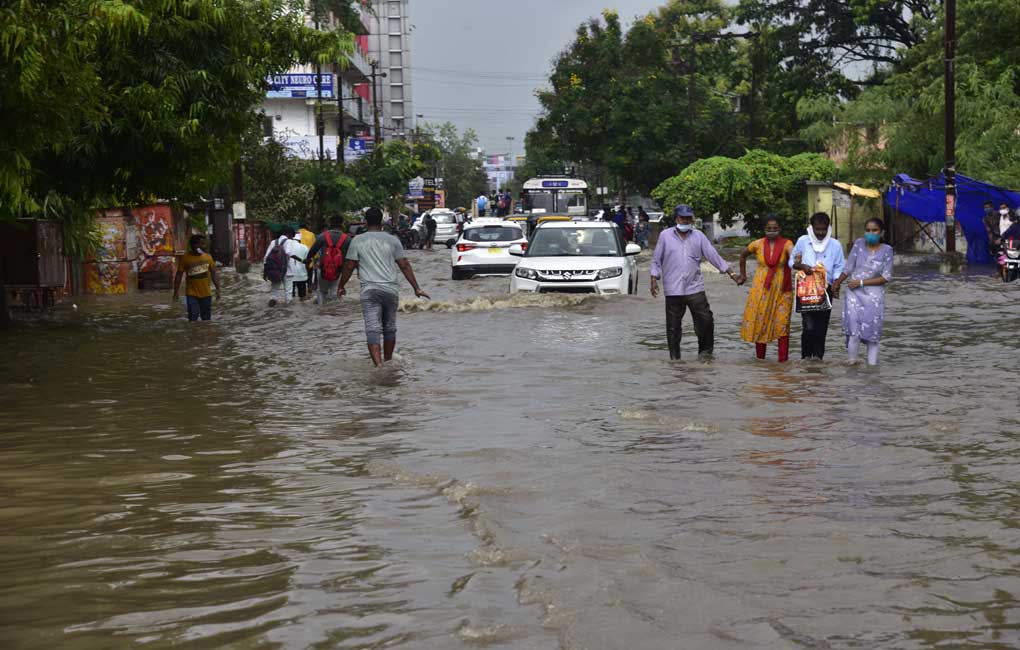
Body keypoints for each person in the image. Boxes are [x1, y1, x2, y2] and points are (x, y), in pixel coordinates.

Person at [338, 207, 430, 367]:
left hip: (369, 291)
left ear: (366, 222)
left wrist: (341, 285)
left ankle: (378, 366)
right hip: (390, 290)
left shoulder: (358, 240)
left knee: (372, 328)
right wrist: (416, 288)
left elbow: (349, 266)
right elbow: (404, 265)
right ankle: (388, 362)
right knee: (390, 327)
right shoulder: (393, 239)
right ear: (381, 222)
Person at [650, 205, 740, 360]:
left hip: (694, 288)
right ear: (677, 219)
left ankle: (705, 355)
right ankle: (675, 359)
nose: (686, 221)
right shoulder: (665, 236)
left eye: (688, 218)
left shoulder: (698, 236)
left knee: (706, 320)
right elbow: (657, 260)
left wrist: (731, 273)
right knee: (673, 327)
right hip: (673, 289)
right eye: (683, 218)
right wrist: (654, 279)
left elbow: (713, 256)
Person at [832, 218, 894, 366]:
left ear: (881, 232)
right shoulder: (859, 244)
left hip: (874, 297)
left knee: (872, 335)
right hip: (854, 295)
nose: (870, 233)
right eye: (868, 230)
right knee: (854, 332)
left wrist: (861, 282)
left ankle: (872, 370)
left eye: (874, 230)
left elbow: (886, 276)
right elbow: (848, 268)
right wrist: (837, 283)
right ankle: (852, 364)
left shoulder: (887, 250)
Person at [737, 216, 794, 362]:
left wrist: (800, 261)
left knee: (782, 325)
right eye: (769, 229)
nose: (772, 231)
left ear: (780, 229)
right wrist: (742, 275)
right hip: (761, 289)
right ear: (765, 230)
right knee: (760, 322)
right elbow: (742, 256)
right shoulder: (757, 244)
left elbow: (793, 256)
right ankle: (760, 362)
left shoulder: (787, 244)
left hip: (782, 289)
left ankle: (783, 363)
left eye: (775, 229)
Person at [790, 212, 845, 360]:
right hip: (805, 289)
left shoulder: (835, 245)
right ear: (811, 227)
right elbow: (791, 262)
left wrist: (835, 283)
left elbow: (840, 266)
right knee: (808, 326)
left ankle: (818, 358)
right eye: (817, 229)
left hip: (826, 290)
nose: (820, 233)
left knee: (821, 327)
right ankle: (806, 357)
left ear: (828, 228)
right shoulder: (803, 241)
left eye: (823, 229)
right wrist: (801, 265)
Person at [304, 215, 352, 305]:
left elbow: (312, 251)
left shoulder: (322, 236)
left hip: (323, 268)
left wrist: (307, 260)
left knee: (322, 291)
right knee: (335, 291)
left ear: (330, 223)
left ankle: (321, 311)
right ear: (342, 224)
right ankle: (333, 313)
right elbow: (351, 257)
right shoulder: (347, 239)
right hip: (339, 270)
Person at [173, 234, 220, 322]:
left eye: (204, 244)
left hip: (206, 294)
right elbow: (178, 275)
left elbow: (213, 273)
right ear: (195, 245)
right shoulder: (185, 258)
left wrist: (218, 289)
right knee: (193, 318)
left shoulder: (208, 257)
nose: (204, 246)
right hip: (191, 294)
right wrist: (176, 292)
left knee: (206, 320)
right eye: (202, 244)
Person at [263, 226, 308, 306]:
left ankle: (273, 300)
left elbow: (266, 258)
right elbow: (289, 254)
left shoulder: (273, 242)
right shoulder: (289, 242)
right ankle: (288, 308)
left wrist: (265, 272)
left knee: (274, 290)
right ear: (289, 234)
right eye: (292, 235)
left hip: (275, 270)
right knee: (288, 292)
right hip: (287, 271)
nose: (293, 237)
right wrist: (301, 260)